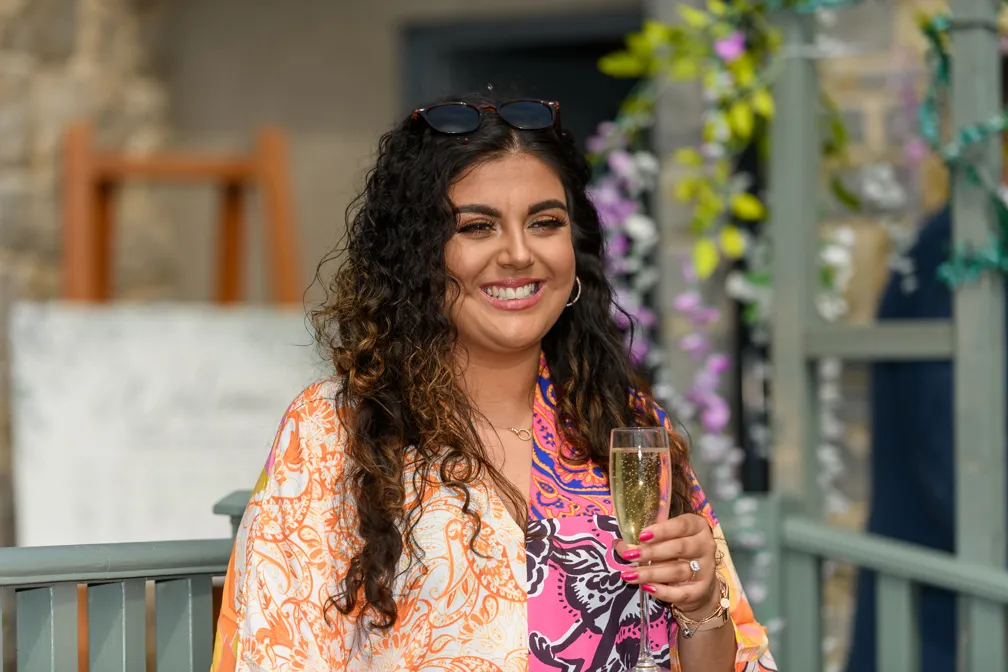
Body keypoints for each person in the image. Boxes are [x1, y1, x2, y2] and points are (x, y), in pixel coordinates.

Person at [210, 95, 775, 671]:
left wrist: (701, 605)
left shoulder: (623, 423)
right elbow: (276, 651)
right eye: (477, 227)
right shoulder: (335, 430)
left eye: (545, 223)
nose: (519, 254)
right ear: (417, 257)